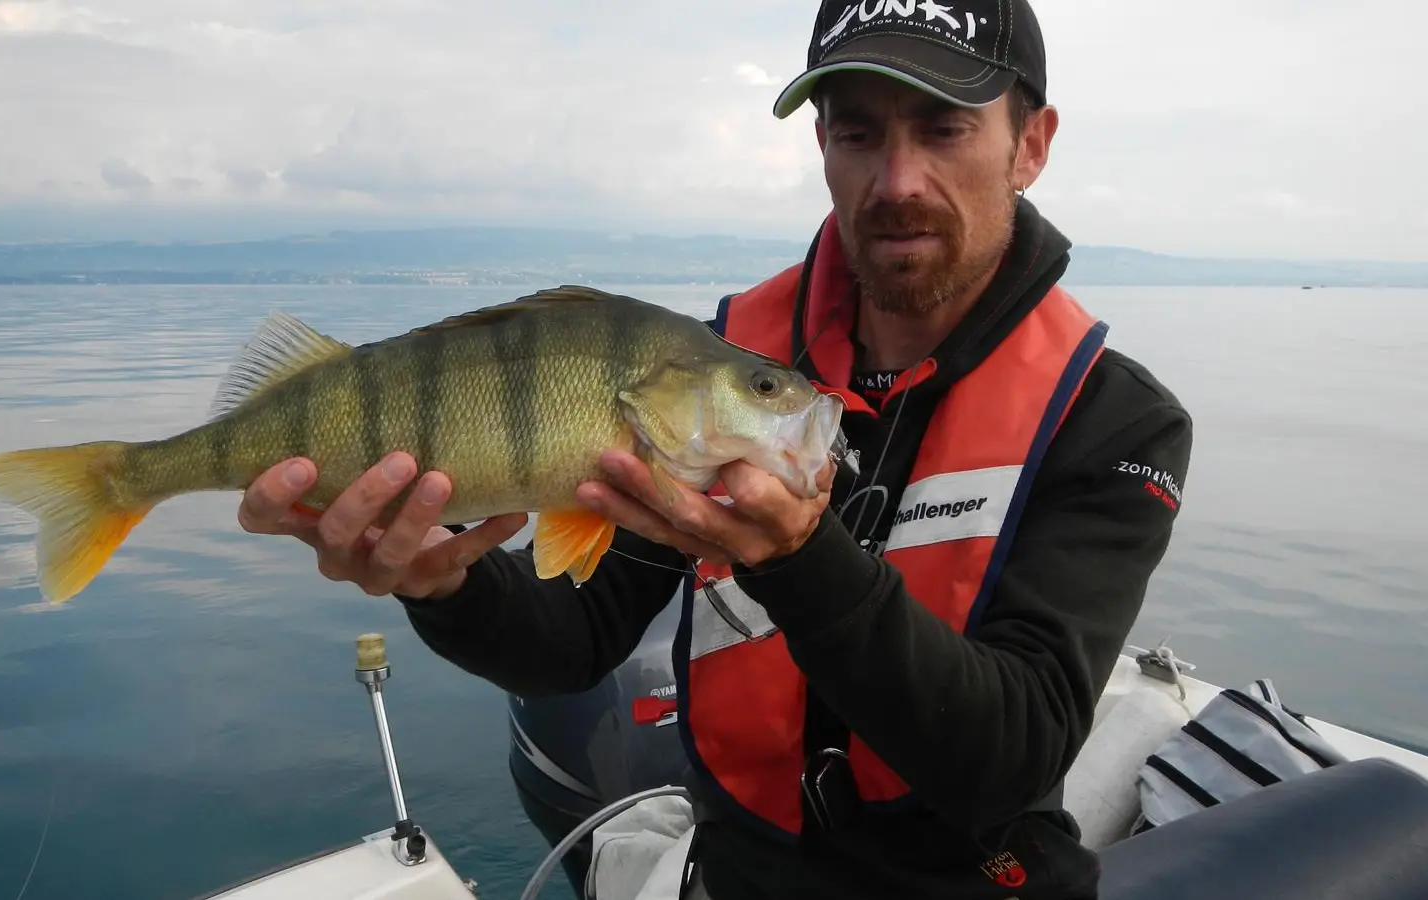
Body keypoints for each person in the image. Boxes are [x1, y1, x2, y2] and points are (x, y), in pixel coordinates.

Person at [237, 0, 1194, 896]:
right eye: (859, 130)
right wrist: (439, 580)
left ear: (1031, 145)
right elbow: (573, 641)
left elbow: (1012, 756)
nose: (898, 180)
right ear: (822, 145)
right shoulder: (714, 378)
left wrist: (795, 557)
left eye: (944, 127)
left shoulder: (1113, 420)